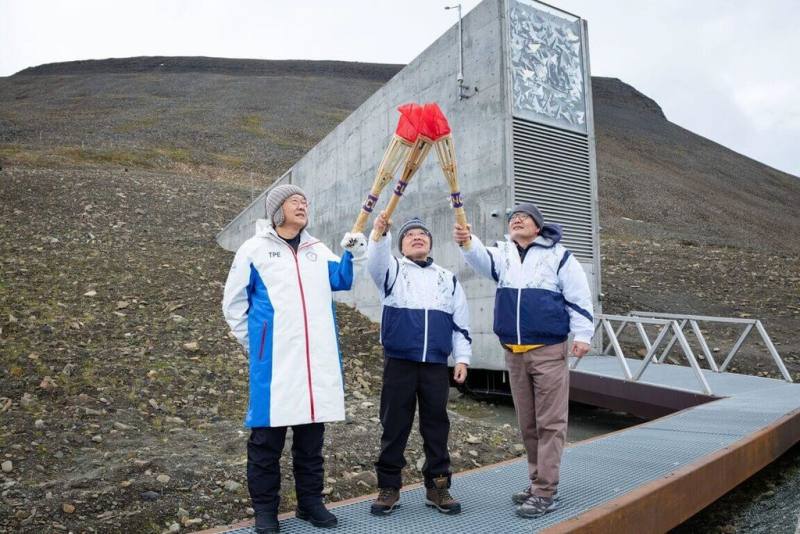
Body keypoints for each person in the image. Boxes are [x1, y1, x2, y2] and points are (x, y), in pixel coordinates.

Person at [222, 184, 365, 533]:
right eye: (294, 201)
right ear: (277, 210)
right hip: (274, 364)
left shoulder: (317, 249)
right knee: (266, 442)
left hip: (315, 362)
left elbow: (342, 279)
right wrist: (257, 345)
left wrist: (354, 252)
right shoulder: (254, 249)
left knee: (311, 440)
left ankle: (310, 503)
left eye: (305, 200)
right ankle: (266, 512)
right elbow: (233, 304)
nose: (302, 205)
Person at [453, 202, 593, 519]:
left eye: (524, 216)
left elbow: (579, 294)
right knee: (528, 423)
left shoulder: (559, 255)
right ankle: (536, 484)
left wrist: (583, 334)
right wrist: (466, 241)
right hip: (513, 353)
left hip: (548, 350)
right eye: (513, 216)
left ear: (538, 226)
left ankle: (546, 492)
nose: (516, 218)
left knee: (550, 423)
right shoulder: (504, 254)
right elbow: (478, 257)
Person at [366, 212, 471, 517]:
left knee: (436, 427)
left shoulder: (446, 278)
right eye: (410, 235)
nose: (417, 237)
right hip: (399, 362)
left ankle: (437, 487)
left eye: (422, 234)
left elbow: (460, 324)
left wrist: (461, 358)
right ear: (400, 245)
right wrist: (381, 235)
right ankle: (389, 488)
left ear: (430, 242)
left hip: (435, 365)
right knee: (394, 427)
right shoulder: (392, 271)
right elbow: (375, 262)